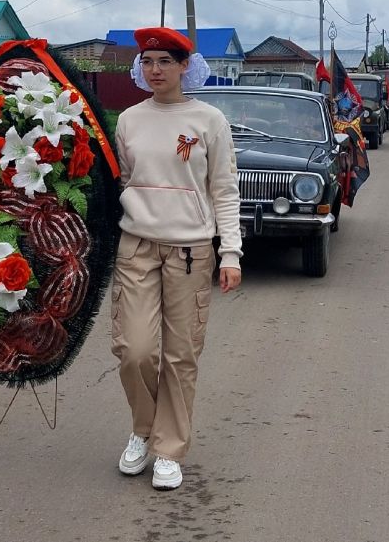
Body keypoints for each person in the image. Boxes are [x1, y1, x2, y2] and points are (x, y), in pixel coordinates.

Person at [110, 27, 244, 491]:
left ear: (185, 66)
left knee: (181, 354)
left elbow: (224, 190)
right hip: (137, 246)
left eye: (165, 61)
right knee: (135, 351)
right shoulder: (129, 120)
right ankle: (143, 429)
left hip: (190, 252)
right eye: (147, 61)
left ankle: (168, 449)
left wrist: (231, 252)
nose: (155, 70)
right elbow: (124, 181)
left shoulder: (209, 120)